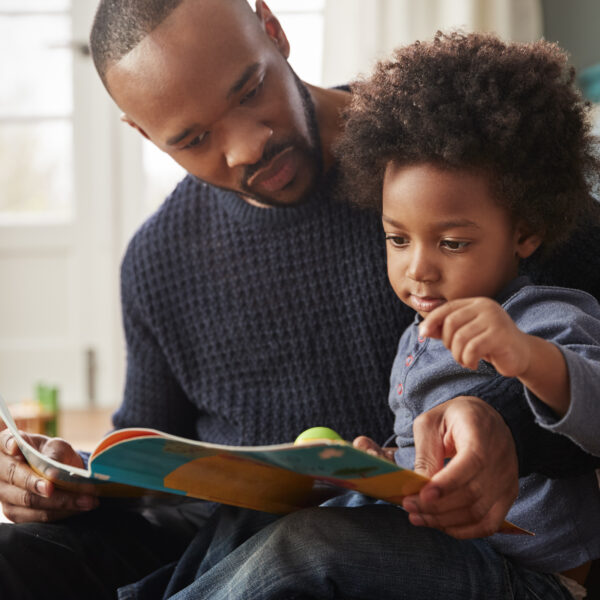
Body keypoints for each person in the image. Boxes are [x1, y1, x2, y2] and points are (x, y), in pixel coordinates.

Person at [0, 1, 597, 598]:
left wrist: (508, 432)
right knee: (20, 557)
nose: (245, 147)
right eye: (194, 138)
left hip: (409, 551)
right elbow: (152, 457)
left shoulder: (456, 155)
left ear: (272, 30)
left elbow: (575, 358)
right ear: (142, 131)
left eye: (249, 91)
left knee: (307, 544)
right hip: (257, 533)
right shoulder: (158, 260)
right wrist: (67, 482)